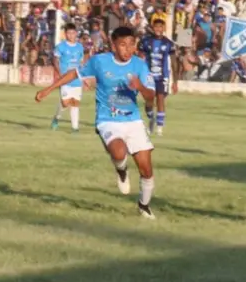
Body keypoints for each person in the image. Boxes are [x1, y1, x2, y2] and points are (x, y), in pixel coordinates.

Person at [35, 26, 160, 219]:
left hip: (133, 120)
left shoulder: (140, 65)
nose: (128, 49)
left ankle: (144, 206)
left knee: (146, 170)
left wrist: (140, 87)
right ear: (113, 45)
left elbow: (151, 96)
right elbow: (73, 73)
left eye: (131, 44)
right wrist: (48, 89)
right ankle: (122, 170)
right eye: (123, 45)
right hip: (107, 120)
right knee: (119, 151)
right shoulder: (100, 61)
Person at [138, 18, 179, 136]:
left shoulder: (168, 43)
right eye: (156, 26)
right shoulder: (145, 42)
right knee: (149, 100)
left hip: (162, 76)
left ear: (164, 28)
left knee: (160, 98)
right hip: (148, 76)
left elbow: (174, 63)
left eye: (160, 27)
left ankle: (160, 127)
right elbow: (139, 58)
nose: (158, 29)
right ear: (153, 27)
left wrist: (175, 82)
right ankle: (151, 119)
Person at [51, 23, 87, 132]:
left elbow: (81, 62)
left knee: (75, 103)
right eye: (68, 33)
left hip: (76, 78)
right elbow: (55, 60)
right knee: (65, 103)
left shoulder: (80, 47)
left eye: (73, 33)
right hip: (65, 78)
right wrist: (59, 73)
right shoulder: (61, 46)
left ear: (76, 33)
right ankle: (56, 118)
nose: (71, 35)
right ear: (65, 34)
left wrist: (84, 77)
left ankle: (75, 128)